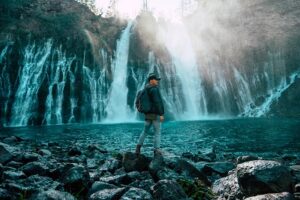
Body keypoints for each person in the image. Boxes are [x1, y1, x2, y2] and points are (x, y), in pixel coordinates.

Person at [135, 73, 165, 157]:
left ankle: (138, 148)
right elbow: (158, 102)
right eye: (156, 80)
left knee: (144, 131)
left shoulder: (145, 89)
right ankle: (156, 150)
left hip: (147, 115)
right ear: (151, 80)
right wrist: (161, 113)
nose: (157, 81)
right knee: (157, 132)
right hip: (155, 114)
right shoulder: (154, 89)